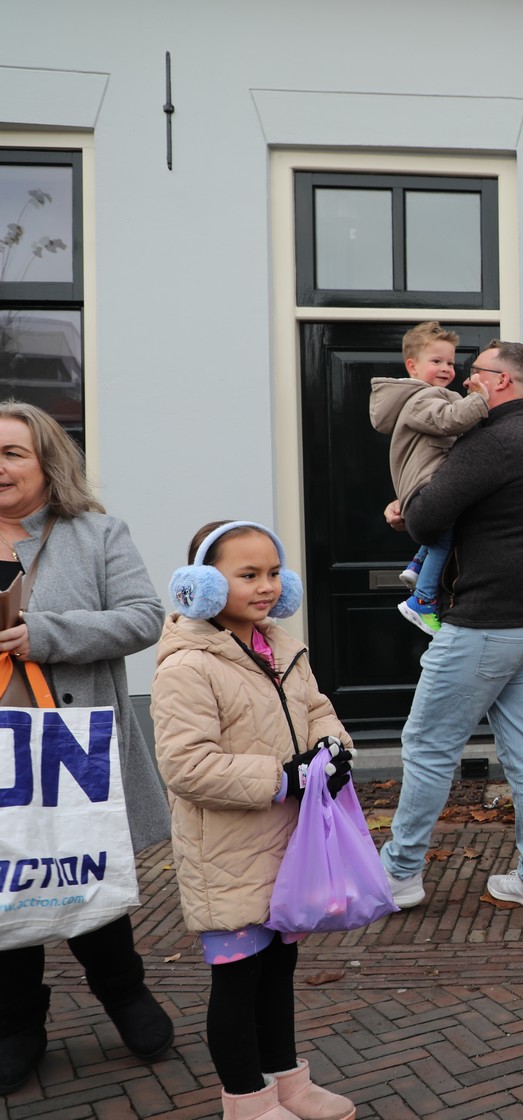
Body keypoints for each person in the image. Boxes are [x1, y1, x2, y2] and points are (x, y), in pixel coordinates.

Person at [152, 519, 357, 1120]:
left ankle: (288, 1082)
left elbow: (317, 710)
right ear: (202, 586)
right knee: (238, 979)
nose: (266, 586)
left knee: (278, 970)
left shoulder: (282, 648)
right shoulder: (188, 666)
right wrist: (283, 778)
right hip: (227, 852)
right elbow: (187, 765)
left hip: (286, 846)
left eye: (273, 573)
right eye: (248, 575)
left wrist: (334, 750)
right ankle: (247, 1099)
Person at [0, 401, 174, 1096]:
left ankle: (125, 994)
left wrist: (45, 634)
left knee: (83, 871)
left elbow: (144, 618)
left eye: (12, 453)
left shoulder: (98, 534)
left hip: (74, 749)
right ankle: (16, 1025)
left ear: (48, 463)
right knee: (4, 889)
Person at [378, 340, 523, 915]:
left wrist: (409, 508)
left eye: (475, 371)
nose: (463, 380)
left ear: (502, 380)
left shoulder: (493, 440)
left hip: (487, 623)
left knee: (428, 746)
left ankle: (399, 874)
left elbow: (427, 518)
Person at [369, 321, 488, 635]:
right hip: (427, 484)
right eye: (437, 361)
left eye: (450, 362)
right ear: (413, 366)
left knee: (444, 532)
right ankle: (421, 600)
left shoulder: (432, 395)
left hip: (429, 481)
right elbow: (449, 421)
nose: (446, 368)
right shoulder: (421, 399)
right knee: (444, 537)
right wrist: (480, 399)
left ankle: (418, 564)